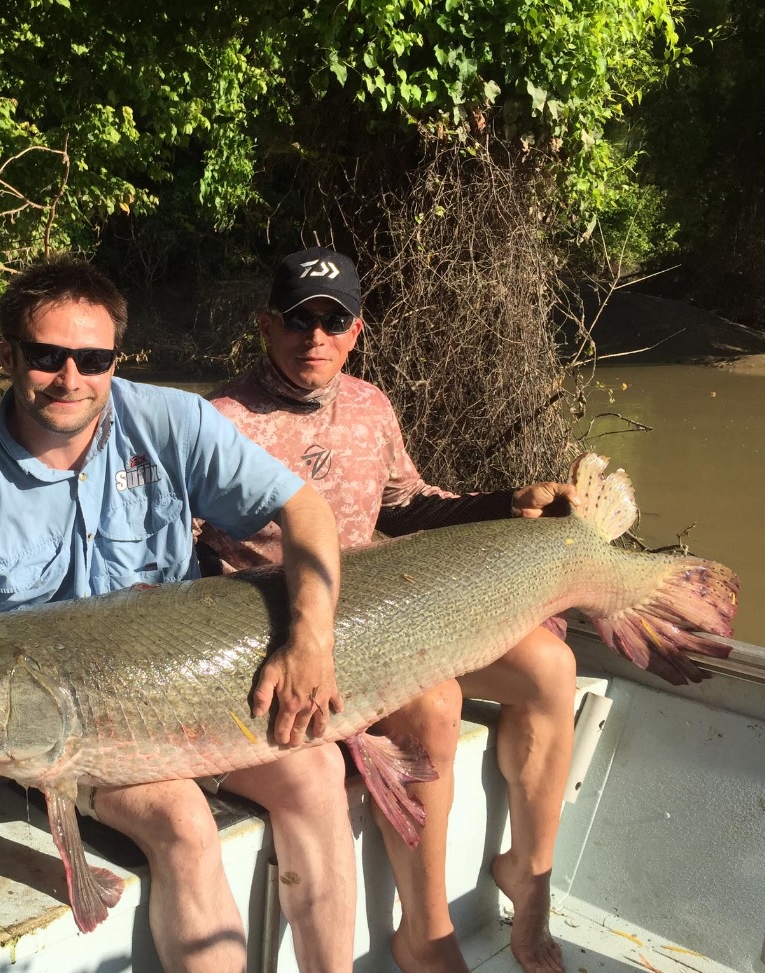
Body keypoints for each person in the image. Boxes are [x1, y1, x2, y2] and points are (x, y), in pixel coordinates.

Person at [0, 257, 357, 973]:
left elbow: (305, 511)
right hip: (71, 731)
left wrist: (310, 640)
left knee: (319, 769)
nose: (69, 378)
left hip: (184, 690)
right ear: (8, 355)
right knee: (180, 818)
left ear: (116, 358)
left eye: (93, 358)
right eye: (46, 356)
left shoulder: (172, 420)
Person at [199, 248, 584, 973]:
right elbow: (179, 541)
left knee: (550, 664)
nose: (314, 335)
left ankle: (529, 880)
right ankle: (426, 932)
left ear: (356, 330)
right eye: (297, 318)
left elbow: (406, 506)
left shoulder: (371, 405)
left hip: (386, 605)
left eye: (332, 319)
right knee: (435, 700)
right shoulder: (221, 419)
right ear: (265, 326)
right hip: (278, 629)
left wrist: (508, 503)